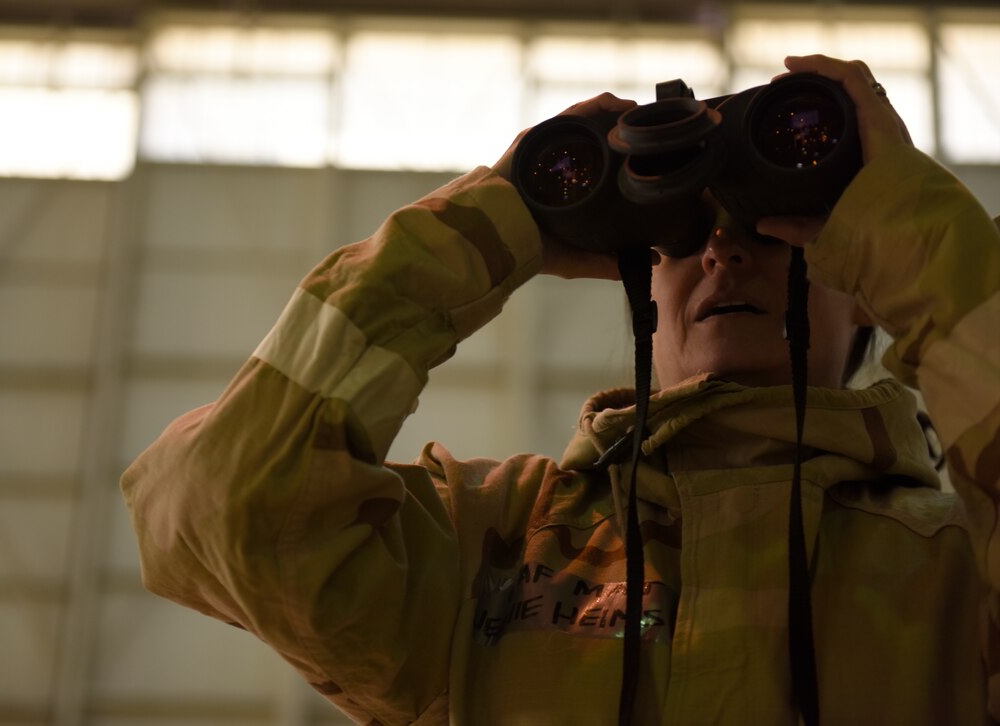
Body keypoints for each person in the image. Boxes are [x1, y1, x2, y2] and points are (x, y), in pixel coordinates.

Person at [121, 53, 1000, 724]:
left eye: (775, 235)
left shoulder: (958, 557)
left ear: (863, 293)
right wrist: (489, 228)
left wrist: (917, 236)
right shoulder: (491, 540)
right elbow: (223, 510)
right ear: (641, 287)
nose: (726, 254)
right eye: (686, 238)